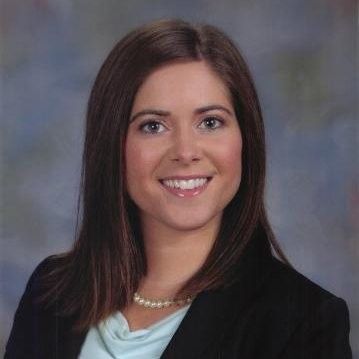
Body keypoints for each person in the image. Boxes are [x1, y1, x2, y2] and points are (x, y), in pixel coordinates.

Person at [5, 19, 352, 359]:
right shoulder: (51, 292)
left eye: (210, 122)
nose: (186, 152)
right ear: (112, 145)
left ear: (245, 138)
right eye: (153, 126)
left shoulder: (302, 322)